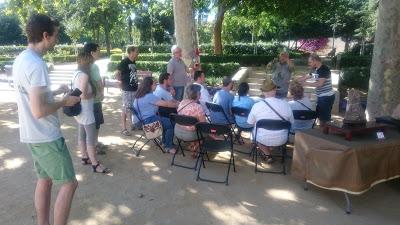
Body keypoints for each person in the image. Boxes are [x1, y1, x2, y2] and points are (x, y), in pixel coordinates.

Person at [13, 14, 80, 225]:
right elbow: (39, 110)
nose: (57, 39)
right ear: (45, 35)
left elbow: (33, 95)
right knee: (69, 184)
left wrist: (54, 91)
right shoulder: (37, 64)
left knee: (45, 179)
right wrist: (64, 102)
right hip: (46, 136)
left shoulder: (22, 59)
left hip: (31, 134)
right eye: (56, 35)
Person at [73, 52, 110, 174]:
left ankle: (84, 157)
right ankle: (95, 164)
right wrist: (94, 94)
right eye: (90, 62)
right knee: (91, 138)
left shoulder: (76, 73)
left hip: (80, 111)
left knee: (82, 135)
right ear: (87, 63)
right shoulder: (84, 75)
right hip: (86, 111)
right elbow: (83, 95)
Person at [247, 78, 294, 163]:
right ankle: (268, 151)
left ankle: (267, 153)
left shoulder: (257, 106)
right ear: (275, 90)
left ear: (263, 92)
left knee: (254, 134)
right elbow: (291, 122)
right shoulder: (286, 104)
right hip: (282, 139)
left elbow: (250, 123)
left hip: (262, 138)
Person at [133, 77, 179, 153]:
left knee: (166, 121)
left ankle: (165, 142)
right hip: (146, 122)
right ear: (149, 86)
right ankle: (168, 147)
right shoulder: (149, 96)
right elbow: (166, 104)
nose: (156, 85)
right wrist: (178, 105)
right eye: (154, 84)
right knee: (171, 123)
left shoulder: (139, 95)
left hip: (139, 121)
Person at [297, 53, 335, 128]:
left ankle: (323, 135)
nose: (309, 64)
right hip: (321, 96)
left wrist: (305, 83)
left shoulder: (324, 69)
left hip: (326, 97)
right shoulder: (315, 69)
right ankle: (321, 133)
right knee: (321, 117)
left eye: (310, 62)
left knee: (324, 119)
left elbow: (320, 84)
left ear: (315, 61)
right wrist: (296, 81)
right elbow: (307, 76)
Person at [83, 42, 106, 154]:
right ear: (92, 53)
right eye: (98, 51)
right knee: (96, 124)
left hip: (86, 101)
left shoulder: (83, 65)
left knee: (86, 126)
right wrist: (102, 93)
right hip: (95, 99)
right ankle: (95, 145)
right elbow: (99, 81)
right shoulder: (94, 66)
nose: (99, 53)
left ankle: (89, 147)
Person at [175, 84, 207, 157]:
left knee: (195, 127)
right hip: (190, 135)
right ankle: (195, 148)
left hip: (177, 131)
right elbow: (204, 125)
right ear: (198, 94)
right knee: (204, 132)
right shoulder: (197, 107)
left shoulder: (182, 102)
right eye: (200, 92)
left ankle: (192, 145)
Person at [115, 46, 139, 136]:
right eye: (136, 51)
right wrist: (120, 82)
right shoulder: (124, 62)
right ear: (131, 52)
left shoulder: (133, 62)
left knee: (132, 107)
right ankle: (123, 128)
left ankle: (131, 125)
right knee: (125, 108)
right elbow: (117, 73)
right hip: (127, 88)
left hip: (134, 88)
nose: (138, 53)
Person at [153, 72, 179, 149]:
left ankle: (164, 141)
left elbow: (172, 101)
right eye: (170, 79)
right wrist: (182, 104)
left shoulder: (159, 88)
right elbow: (173, 103)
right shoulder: (163, 92)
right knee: (174, 121)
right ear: (165, 81)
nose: (172, 80)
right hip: (160, 114)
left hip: (159, 113)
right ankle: (168, 145)